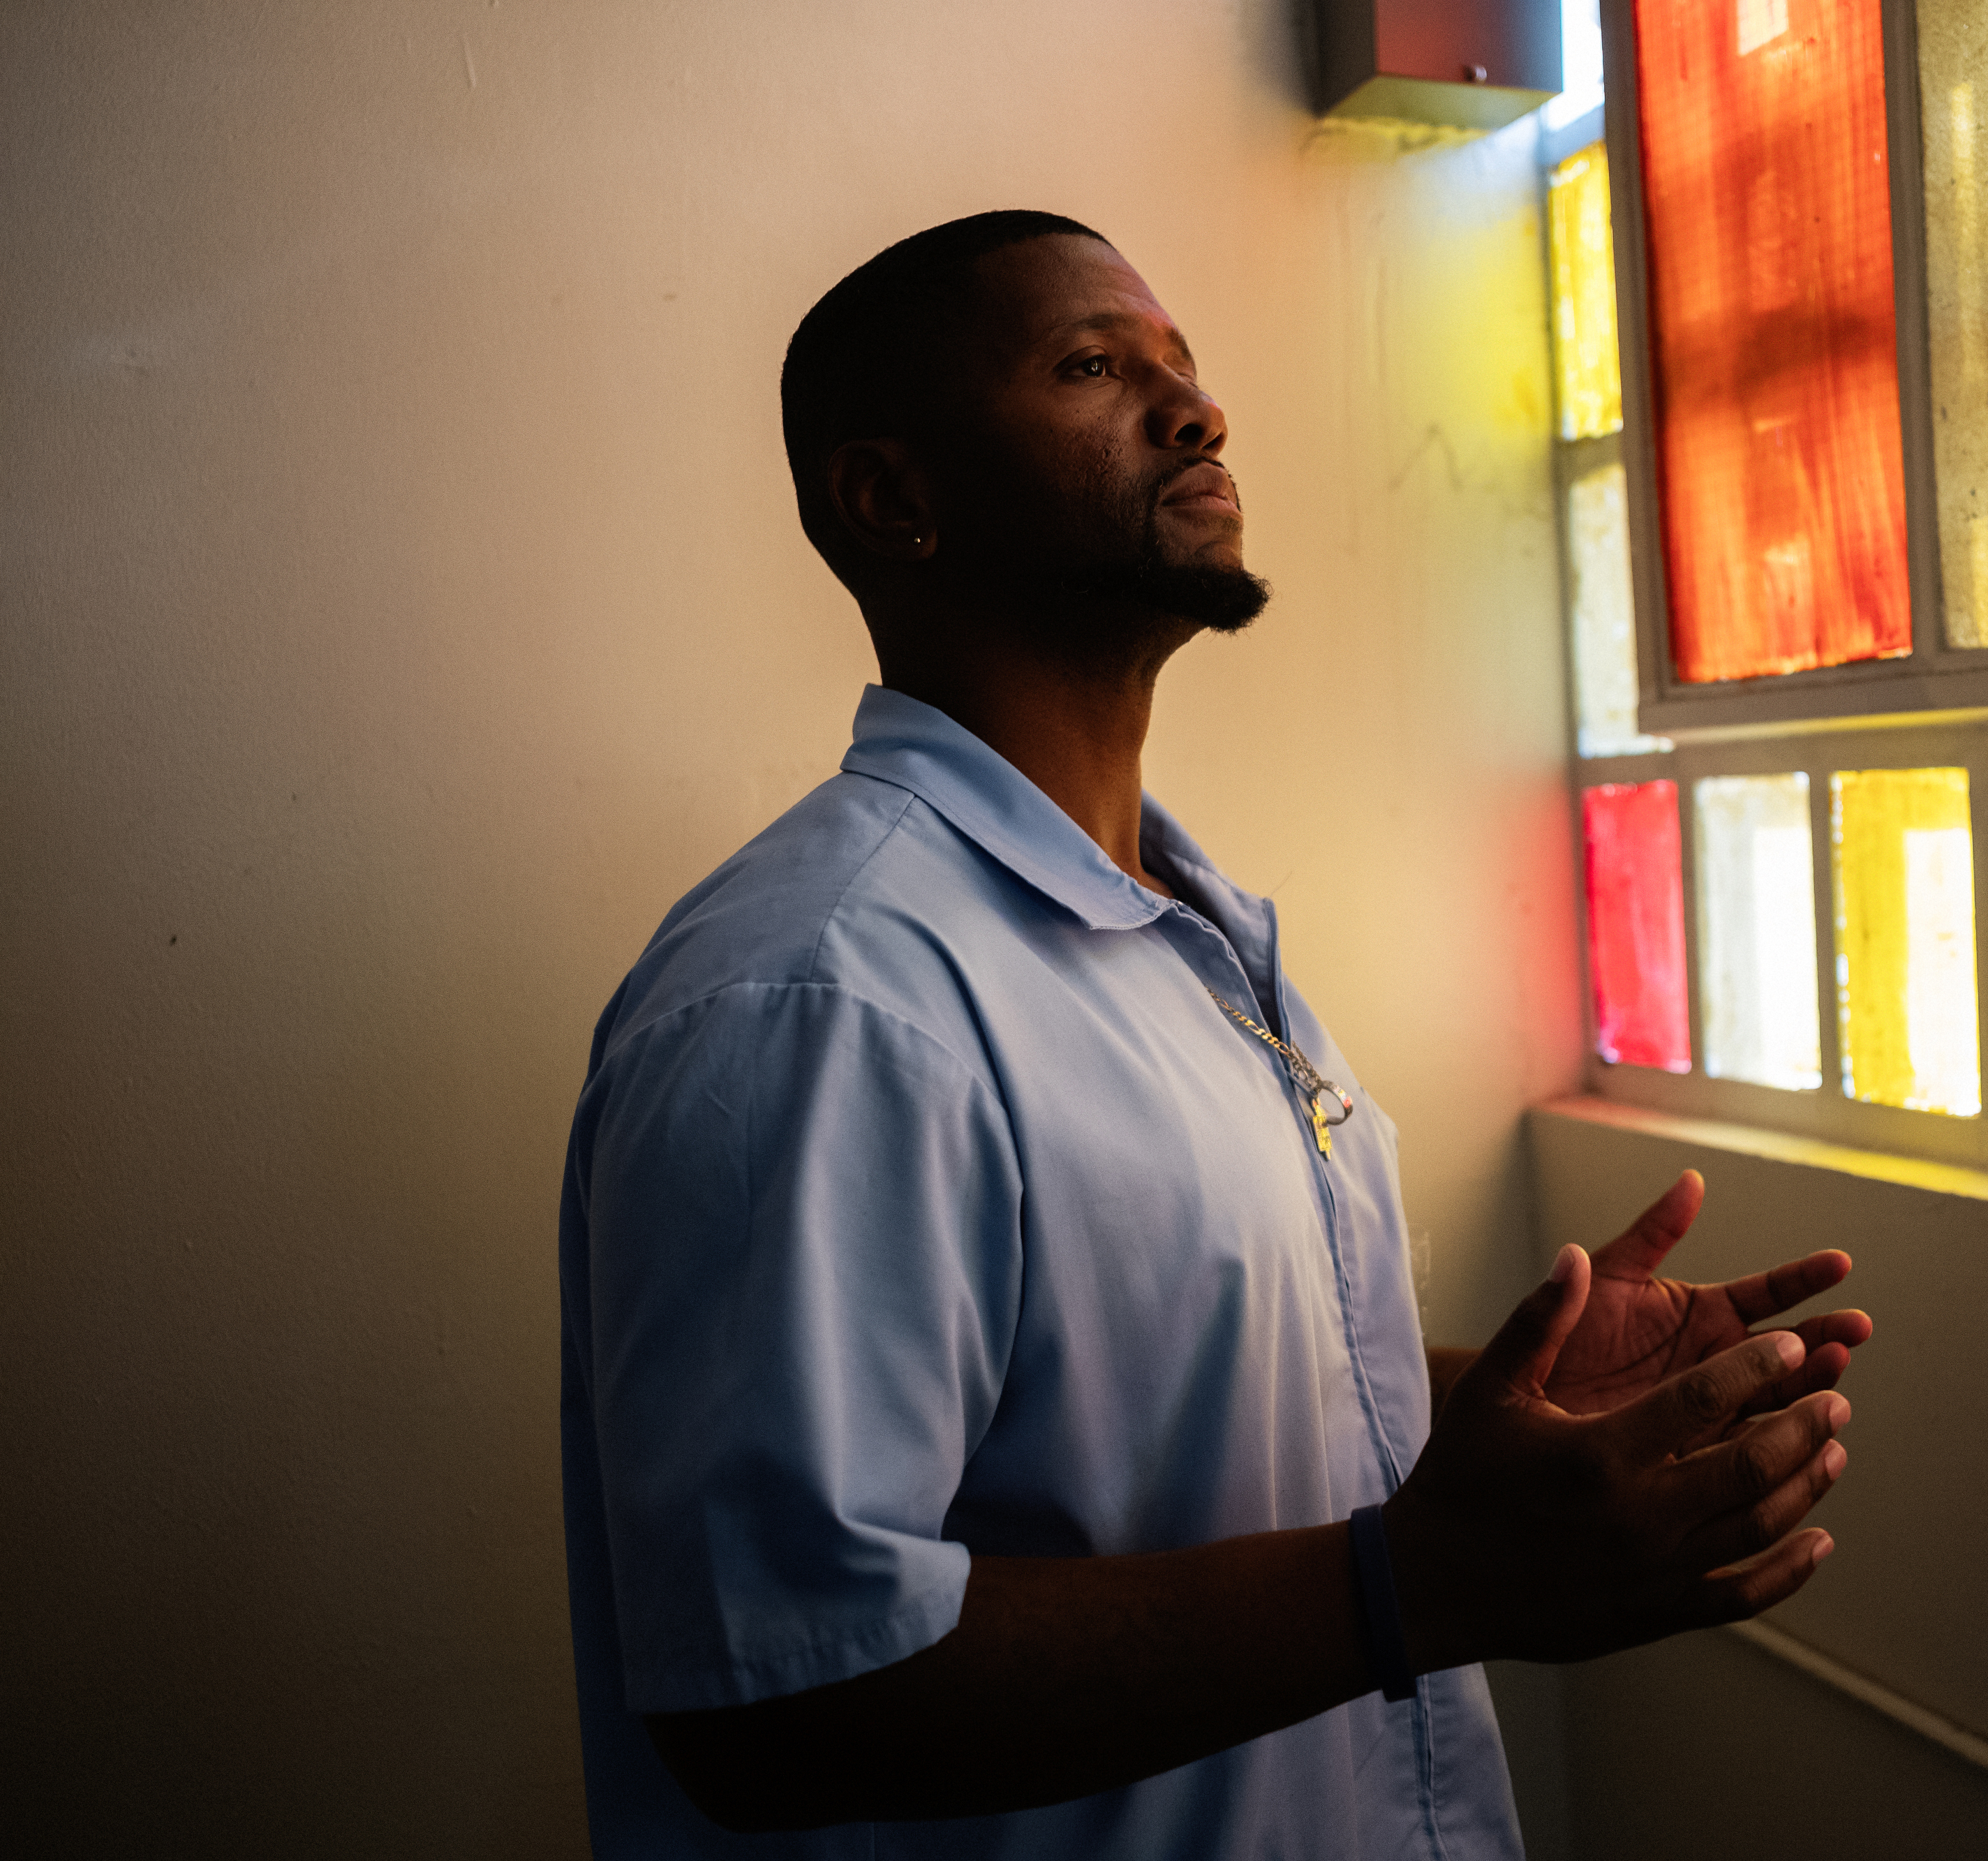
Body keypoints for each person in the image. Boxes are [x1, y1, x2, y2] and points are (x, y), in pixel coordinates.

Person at [557, 209, 1872, 1859]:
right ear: (891, 499)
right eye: (1094, 365)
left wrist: (1479, 1399)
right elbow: (778, 1694)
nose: (1196, 412)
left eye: (1184, 366)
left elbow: (1128, 1407)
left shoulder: (1188, 931)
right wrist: (1416, 1584)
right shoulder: (821, 996)